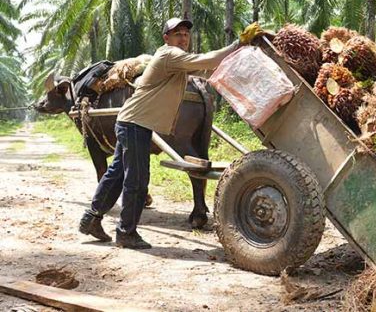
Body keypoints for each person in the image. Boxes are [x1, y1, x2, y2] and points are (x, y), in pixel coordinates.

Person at [78, 18, 264, 249]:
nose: (183, 38)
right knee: (136, 180)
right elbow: (208, 59)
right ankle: (126, 232)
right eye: (177, 34)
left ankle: (91, 218)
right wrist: (239, 42)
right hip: (135, 124)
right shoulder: (169, 55)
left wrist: (242, 56)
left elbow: (208, 69)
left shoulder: (176, 62)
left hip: (132, 123)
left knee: (116, 175)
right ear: (166, 38)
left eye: (186, 34)